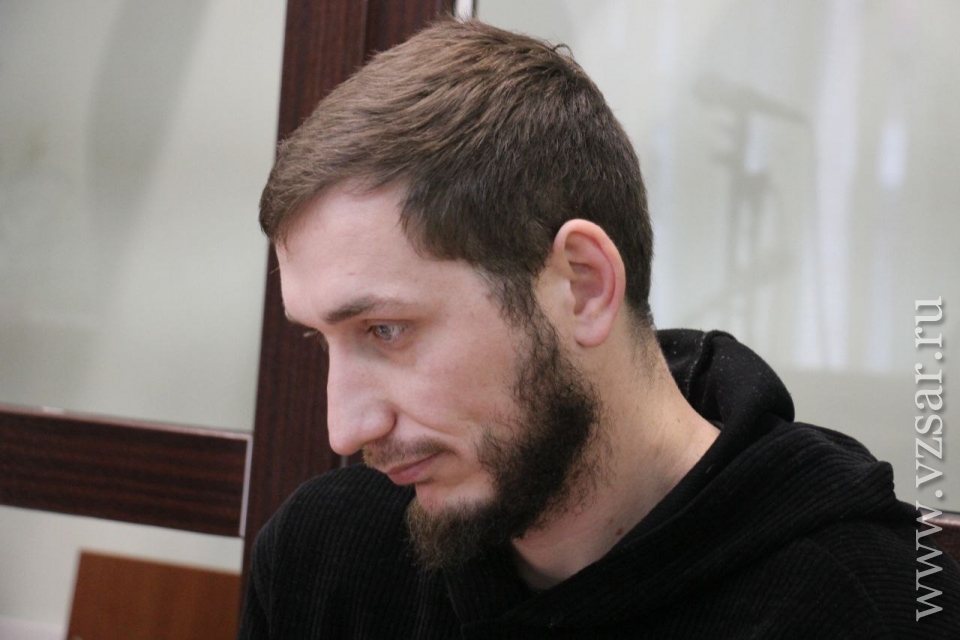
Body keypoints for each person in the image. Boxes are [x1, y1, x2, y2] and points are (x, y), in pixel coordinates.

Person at [239, 19, 960, 639]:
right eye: (321, 340)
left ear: (583, 286)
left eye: (386, 330)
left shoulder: (873, 606)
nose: (345, 430)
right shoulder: (323, 558)